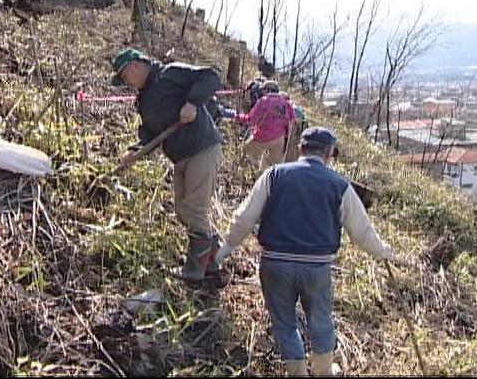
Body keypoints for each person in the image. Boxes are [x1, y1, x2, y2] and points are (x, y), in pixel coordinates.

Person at [214, 126, 404, 376]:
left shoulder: (274, 175)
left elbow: (245, 217)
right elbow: (362, 231)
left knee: (284, 323)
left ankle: (298, 373)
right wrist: (383, 252)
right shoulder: (339, 185)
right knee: (320, 321)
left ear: (301, 149)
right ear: (328, 154)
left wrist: (226, 247)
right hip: (317, 266)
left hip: (275, 263)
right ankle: (324, 371)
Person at [112, 48, 223, 283]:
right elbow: (150, 133)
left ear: (135, 66)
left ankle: (195, 271)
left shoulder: (170, 74)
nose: (126, 83)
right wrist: (135, 151)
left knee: (193, 209)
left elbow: (210, 77)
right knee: (183, 211)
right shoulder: (143, 101)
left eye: (124, 76)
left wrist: (192, 104)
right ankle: (212, 264)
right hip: (180, 155)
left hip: (202, 147)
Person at [235, 80, 296, 171]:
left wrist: (238, 117)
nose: (261, 92)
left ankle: (242, 175)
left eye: (263, 90)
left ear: (268, 90)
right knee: (272, 167)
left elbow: (251, 119)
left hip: (263, 136)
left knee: (245, 152)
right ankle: (263, 181)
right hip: (280, 139)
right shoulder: (286, 103)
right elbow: (294, 122)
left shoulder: (263, 101)